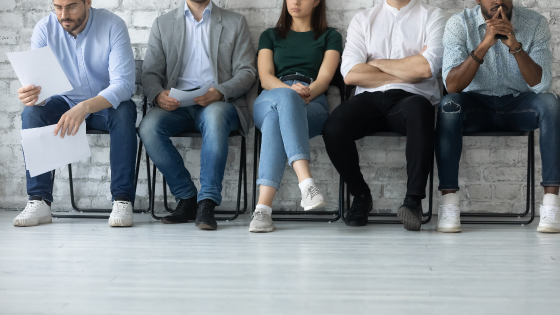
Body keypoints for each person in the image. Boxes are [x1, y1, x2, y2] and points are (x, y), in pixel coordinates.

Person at [435, 0, 560, 233]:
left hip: (518, 104)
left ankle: (552, 205)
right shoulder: (459, 24)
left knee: (551, 104)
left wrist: (515, 46)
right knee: (449, 105)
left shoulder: (535, 23)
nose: (498, 1)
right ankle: (449, 204)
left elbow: (541, 84)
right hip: (476, 105)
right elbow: (452, 85)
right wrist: (484, 44)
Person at [322, 0, 446, 230]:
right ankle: (360, 195)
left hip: (412, 98)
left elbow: (426, 69)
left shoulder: (433, 16)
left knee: (421, 112)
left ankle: (413, 202)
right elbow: (349, 73)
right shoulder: (363, 19)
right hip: (368, 99)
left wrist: (374, 64)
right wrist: (407, 70)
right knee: (333, 127)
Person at [13, 0, 137, 227]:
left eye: (71, 6)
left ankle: (122, 199)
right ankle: (38, 200)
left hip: (104, 104)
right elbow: (40, 87)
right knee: (31, 113)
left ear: (88, 2)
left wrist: (85, 107)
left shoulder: (113, 25)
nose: (63, 14)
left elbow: (124, 85)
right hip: (63, 101)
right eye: (57, 7)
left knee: (126, 110)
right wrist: (32, 95)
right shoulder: (44, 29)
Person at [138, 0, 256, 230]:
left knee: (213, 117)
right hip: (177, 104)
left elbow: (247, 71)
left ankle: (207, 202)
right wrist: (158, 95)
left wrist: (220, 92)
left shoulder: (235, 22)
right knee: (148, 128)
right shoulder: (163, 24)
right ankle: (187, 198)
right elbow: (150, 72)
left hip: (220, 103)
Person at [249, 0, 342, 233]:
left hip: (312, 100)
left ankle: (262, 211)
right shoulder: (269, 35)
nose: (296, 2)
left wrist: (304, 93)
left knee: (274, 121)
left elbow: (325, 78)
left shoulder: (331, 36)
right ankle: (306, 183)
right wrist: (289, 92)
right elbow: (265, 77)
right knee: (284, 101)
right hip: (271, 96)